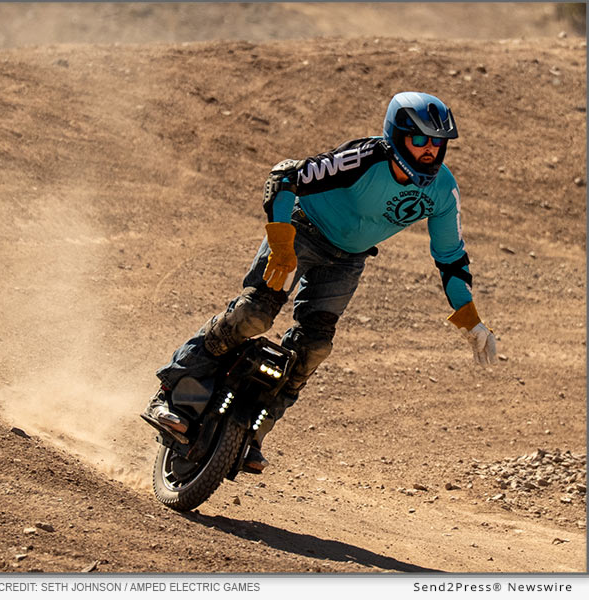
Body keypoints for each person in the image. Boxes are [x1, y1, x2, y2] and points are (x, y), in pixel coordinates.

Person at [143, 91, 498, 473]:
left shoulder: (443, 190)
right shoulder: (364, 158)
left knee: (313, 348)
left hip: (347, 260)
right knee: (254, 314)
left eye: (438, 142)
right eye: (421, 140)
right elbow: (284, 176)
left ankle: (252, 434)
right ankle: (171, 393)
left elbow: (450, 257)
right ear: (397, 135)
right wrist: (281, 246)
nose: (430, 150)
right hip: (301, 233)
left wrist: (469, 320)